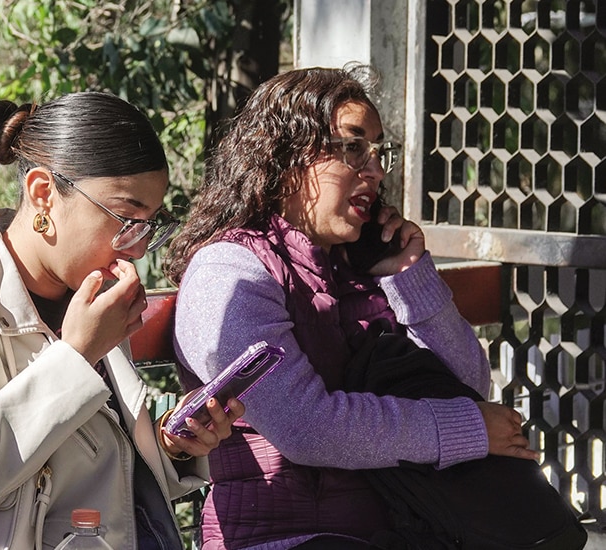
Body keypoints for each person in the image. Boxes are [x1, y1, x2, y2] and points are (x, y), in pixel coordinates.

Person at [166, 65, 536, 549]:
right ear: (287, 156)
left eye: (379, 150)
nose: (376, 169)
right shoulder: (230, 271)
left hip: (400, 530)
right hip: (288, 538)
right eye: (352, 146)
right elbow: (306, 428)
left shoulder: (359, 262)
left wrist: (409, 275)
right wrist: (466, 429)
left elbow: (466, 386)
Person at [0, 92, 244, 549]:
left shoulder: (90, 294)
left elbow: (90, 463)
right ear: (43, 194)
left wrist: (173, 443)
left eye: (150, 225)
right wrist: (77, 355)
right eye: (126, 218)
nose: (137, 249)